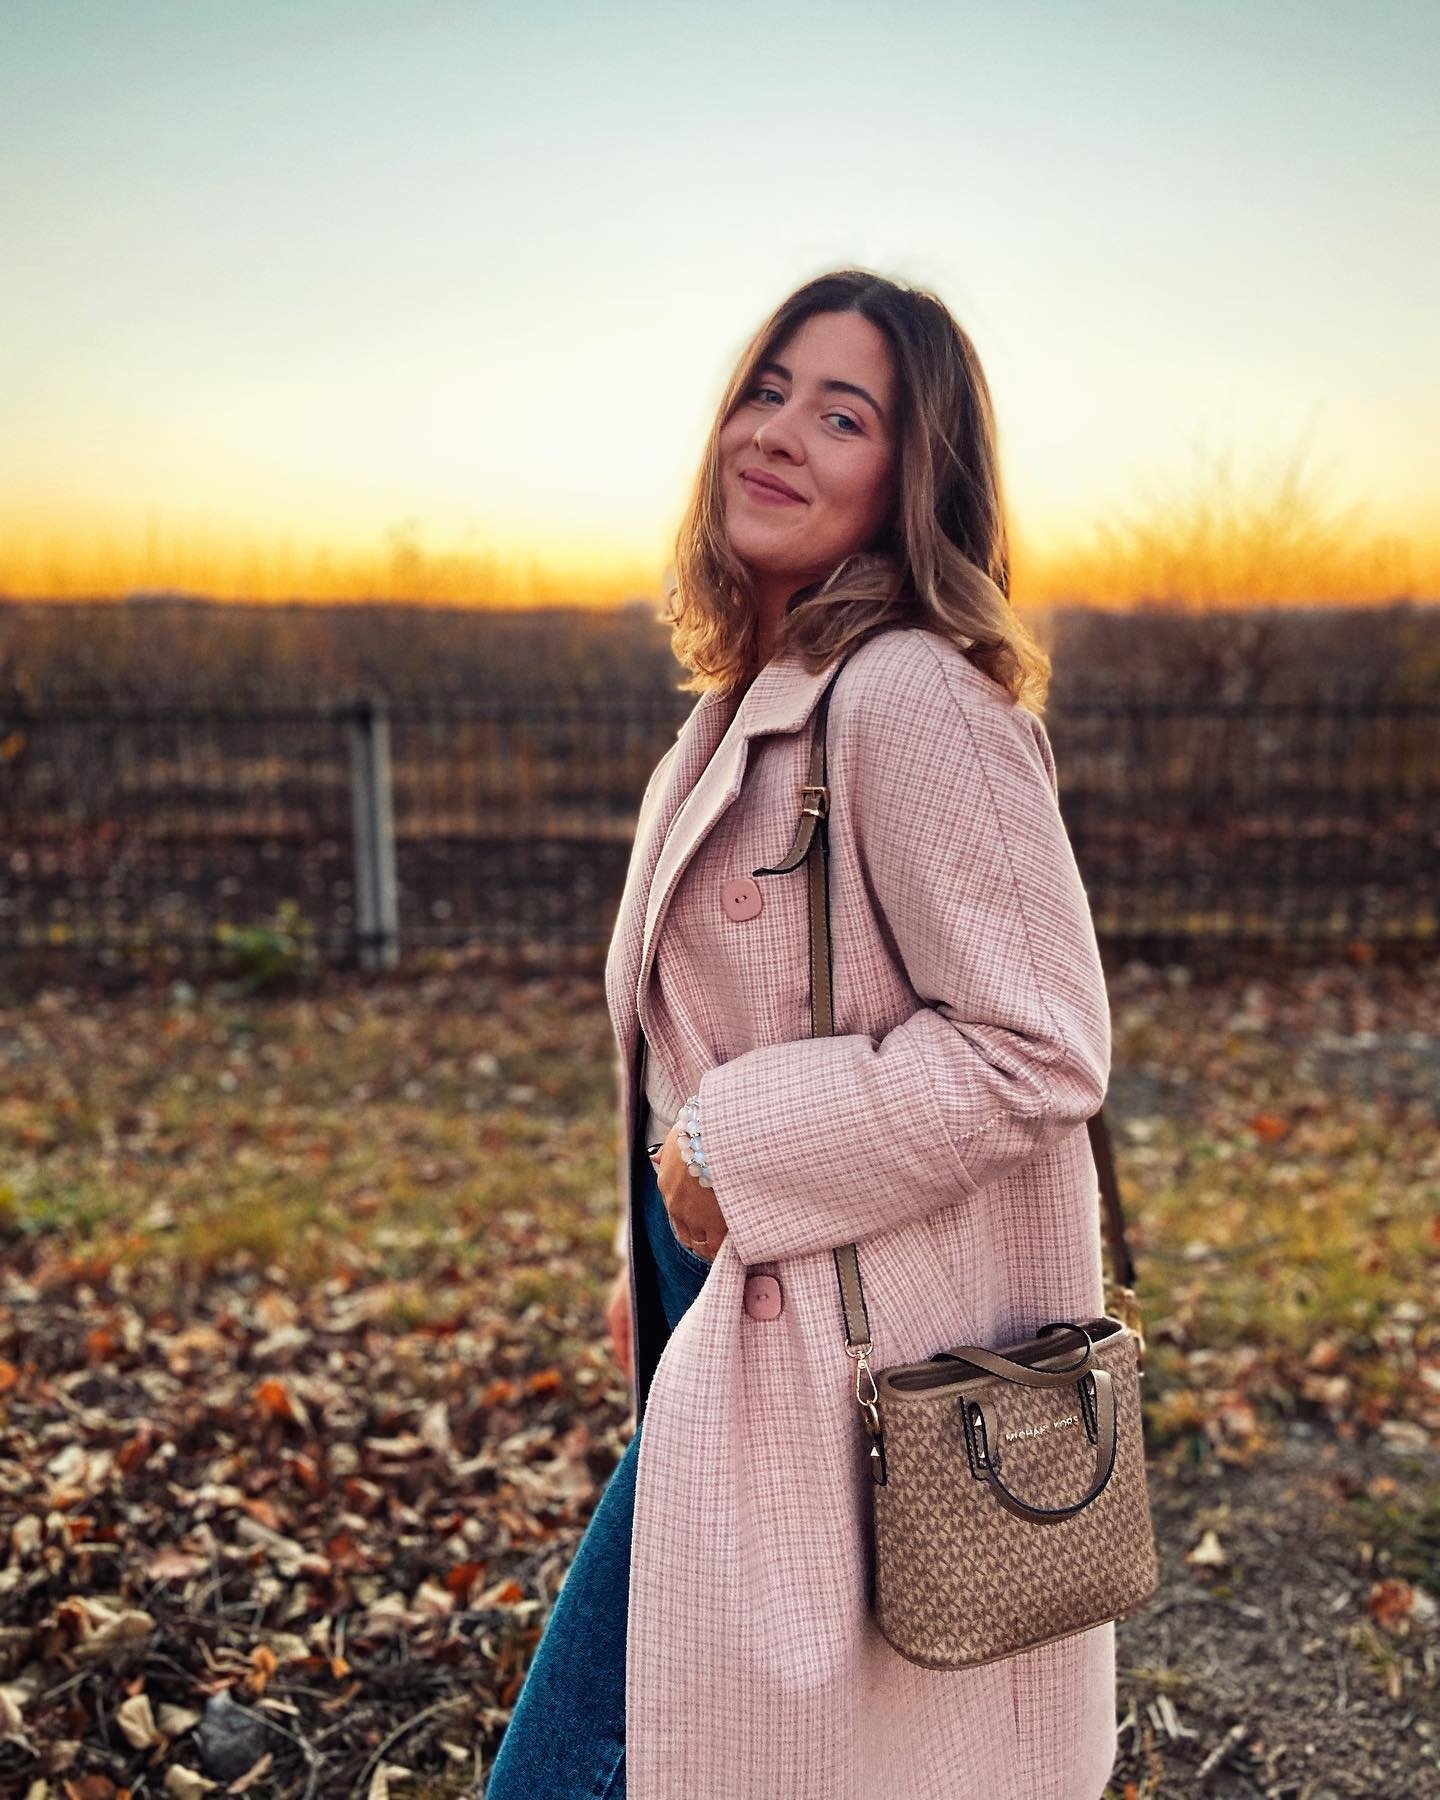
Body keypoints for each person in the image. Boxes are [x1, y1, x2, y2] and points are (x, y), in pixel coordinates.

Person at [486, 268, 1117, 1799]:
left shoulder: (910, 699)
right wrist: (655, 1260)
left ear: (914, 479)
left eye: (841, 416)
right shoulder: (738, 708)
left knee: (574, 1768)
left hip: (860, 1344)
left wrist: (725, 1154)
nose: (776, 432)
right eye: (766, 391)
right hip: (741, 1304)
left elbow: (1041, 1048)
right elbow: (700, 1038)